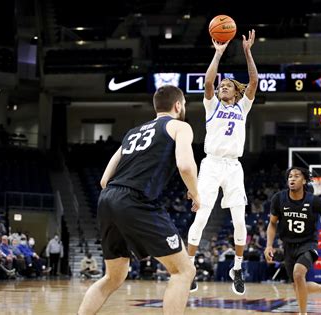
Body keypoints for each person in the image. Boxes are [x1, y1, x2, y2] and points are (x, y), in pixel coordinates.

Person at [77, 85, 200, 315]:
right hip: (134, 199)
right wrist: (196, 192)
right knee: (184, 271)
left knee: (113, 276)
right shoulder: (180, 127)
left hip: (108, 198)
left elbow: (104, 180)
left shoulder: (133, 133)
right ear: (178, 105)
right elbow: (185, 165)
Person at [187, 30, 258, 295]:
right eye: (221, 86)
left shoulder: (243, 107)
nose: (221, 87)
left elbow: (253, 80)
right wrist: (218, 53)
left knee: (240, 221)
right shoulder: (212, 106)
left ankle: (237, 268)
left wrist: (247, 51)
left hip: (233, 167)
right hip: (212, 164)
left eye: (226, 85)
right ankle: (190, 267)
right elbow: (207, 83)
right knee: (201, 217)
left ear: (236, 92)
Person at [264, 167, 321, 314]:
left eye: (296, 176)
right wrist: (269, 245)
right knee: (298, 285)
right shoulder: (278, 199)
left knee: (298, 274)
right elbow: (272, 223)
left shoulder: (314, 201)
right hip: (288, 247)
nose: (292, 179)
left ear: (305, 180)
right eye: (290, 176)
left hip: (308, 245)